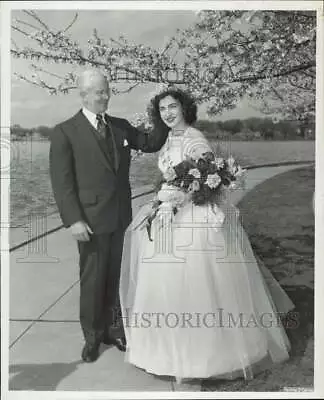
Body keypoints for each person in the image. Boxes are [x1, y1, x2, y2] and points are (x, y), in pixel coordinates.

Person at [119, 88, 295, 384]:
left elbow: (203, 179)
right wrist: (162, 199)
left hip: (191, 218)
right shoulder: (169, 139)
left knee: (197, 285)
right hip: (169, 212)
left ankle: (206, 357)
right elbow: (171, 177)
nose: (168, 113)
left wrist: (176, 197)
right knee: (166, 286)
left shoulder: (194, 138)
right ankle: (163, 352)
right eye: (163, 109)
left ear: (185, 108)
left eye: (173, 106)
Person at [49, 69, 168, 363]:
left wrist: (161, 110)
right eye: (99, 91)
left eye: (107, 90)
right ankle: (92, 337)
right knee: (92, 280)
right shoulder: (65, 131)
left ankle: (115, 330)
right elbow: (62, 183)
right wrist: (74, 219)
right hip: (88, 220)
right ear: (84, 95)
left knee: (118, 276)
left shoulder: (120, 126)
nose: (105, 96)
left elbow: (151, 143)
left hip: (120, 216)